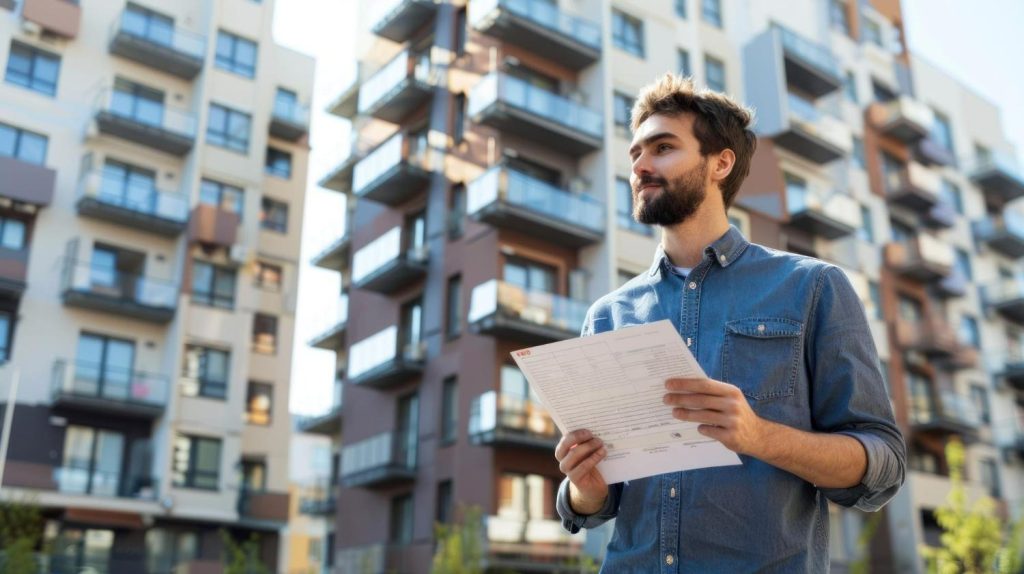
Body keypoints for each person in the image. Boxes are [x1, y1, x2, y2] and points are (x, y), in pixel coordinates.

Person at [553, 73, 906, 572]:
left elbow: (884, 464)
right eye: (635, 153)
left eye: (663, 148)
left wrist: (757, 436)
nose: (641, 166)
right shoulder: (607, 316)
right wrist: (584, 488)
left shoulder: (813, 288)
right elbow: (599, 504)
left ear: (721, 162)